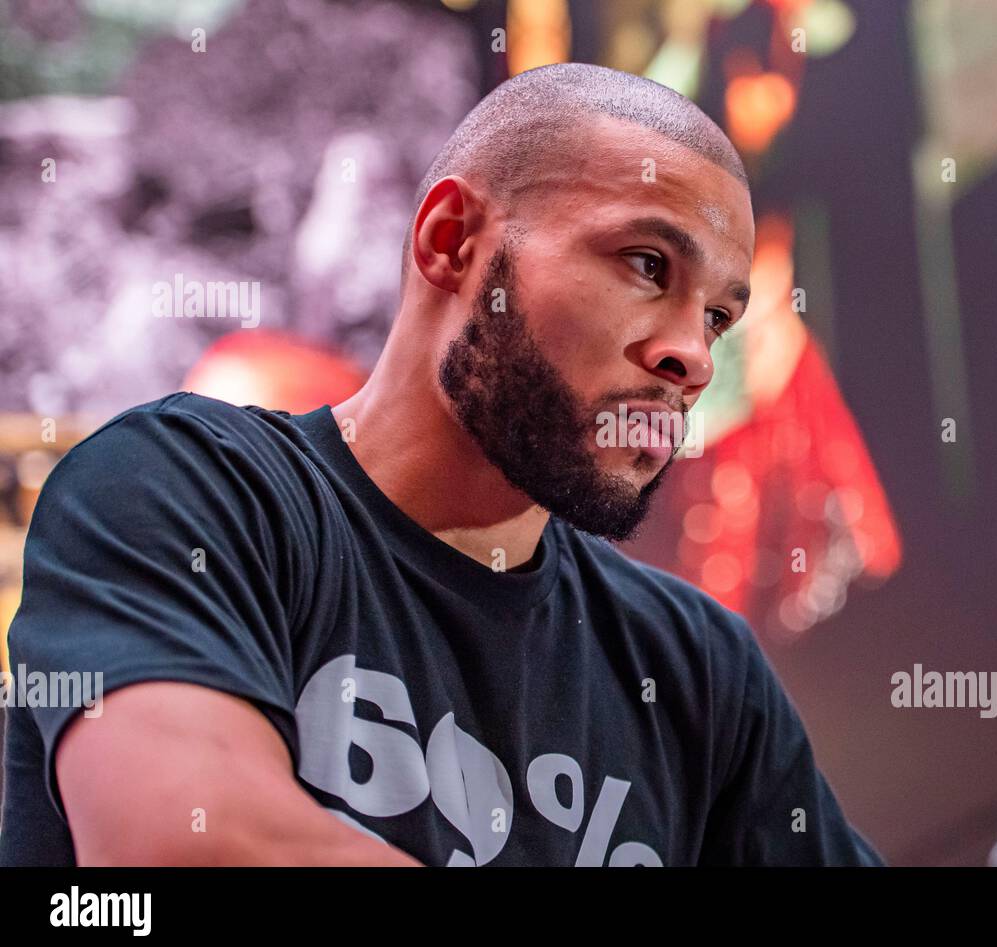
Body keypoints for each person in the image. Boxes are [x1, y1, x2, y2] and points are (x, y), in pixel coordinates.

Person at [0, 63, 882, 867]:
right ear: (453, 241)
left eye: (721, 318)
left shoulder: (697, 667)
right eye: (647, 265)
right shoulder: (180, 492)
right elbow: (189, 847)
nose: (694, 356)